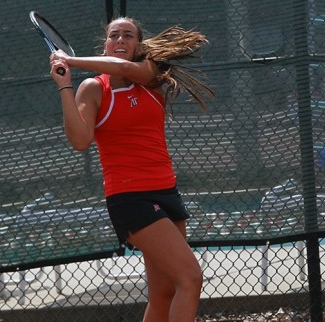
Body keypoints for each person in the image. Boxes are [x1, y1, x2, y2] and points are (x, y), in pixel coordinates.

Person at [49, 17, 213, 322]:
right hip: (129, 197)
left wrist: (68, 58)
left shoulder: (150, 74)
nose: (121, 40)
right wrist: (65, 86)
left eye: (128, 35)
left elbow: (124, 69)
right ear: (105, 45)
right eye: (114, 36)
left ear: (139, 44)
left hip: (166, 191)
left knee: (163, 293)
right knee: (190, 278)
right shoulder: (93, 88)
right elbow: (80, 140)